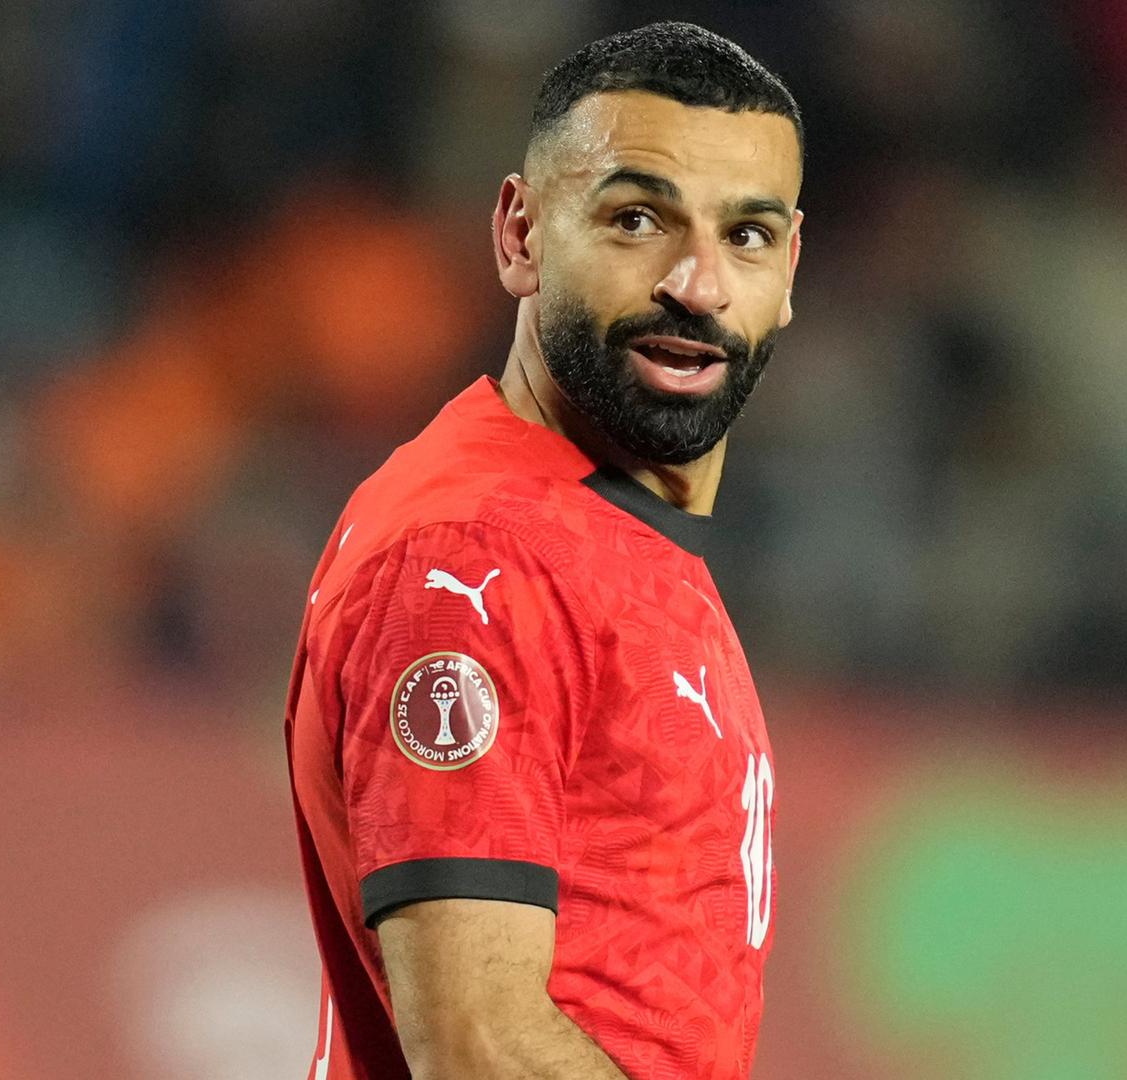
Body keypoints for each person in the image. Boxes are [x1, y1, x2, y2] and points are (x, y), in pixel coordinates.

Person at [283, 21, 803, 1080]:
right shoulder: (479, 563)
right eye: (637, 220)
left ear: (790, 267)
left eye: (745, 236)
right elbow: (477, 1049)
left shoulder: (605, 537)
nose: (697, 285)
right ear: (521, 235)